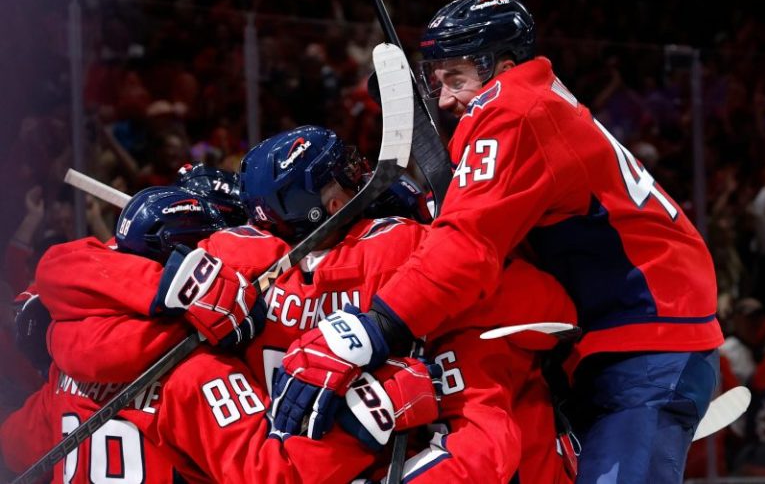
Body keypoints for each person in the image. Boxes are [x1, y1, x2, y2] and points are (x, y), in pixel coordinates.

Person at [271, 0, 725, 484]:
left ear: (501, 66)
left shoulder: (513, 109)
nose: (444, 98)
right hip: (616, 336)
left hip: (647, 343)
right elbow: (489, 217)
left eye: (456, 78)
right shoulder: (534, 98)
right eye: (437, 79)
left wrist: (378, 326)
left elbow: (467, 247)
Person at [37, 126, 579, 483]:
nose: (362, 174)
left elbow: (62, 286)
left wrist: (162, 290)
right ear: (329, 204)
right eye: (346, 173)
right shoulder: (404, 248)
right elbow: (551, 309)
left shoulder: (229, 259)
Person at [2, 185, 438, 483]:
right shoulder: (197, 373)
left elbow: (14, 449)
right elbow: (272, 477)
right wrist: (370, 417)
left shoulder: (64, 370)